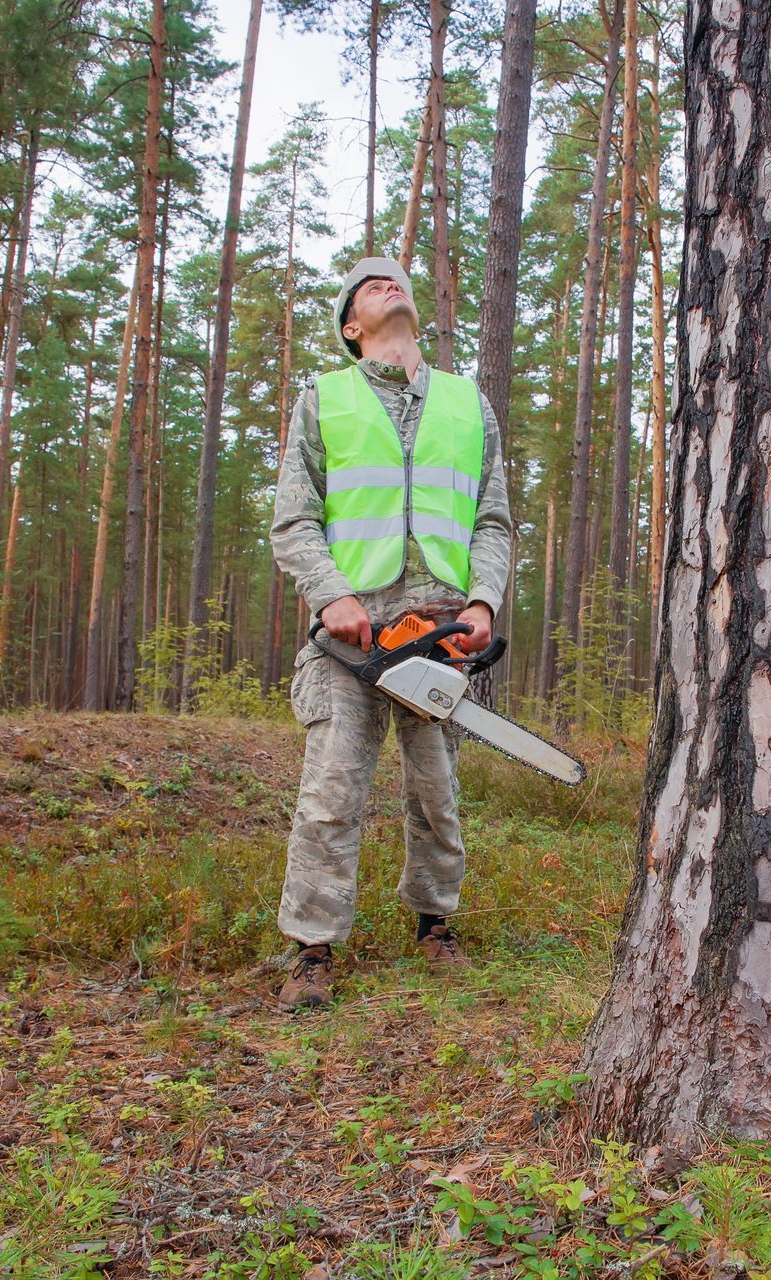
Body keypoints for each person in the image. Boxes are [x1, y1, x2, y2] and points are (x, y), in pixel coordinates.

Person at [269, 257, 513, 1013]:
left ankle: (435, 925)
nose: (389, 282)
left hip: (440, 625)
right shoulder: (324, 399)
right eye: (369, 284)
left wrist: (484, 604)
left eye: (396, 278)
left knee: (437, 790)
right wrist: (331, 592)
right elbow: (294, 518)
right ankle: (312, 946)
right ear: (351, 327)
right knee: (332, 791)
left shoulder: (469, 405)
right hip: (352, 629)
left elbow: (492, 521)